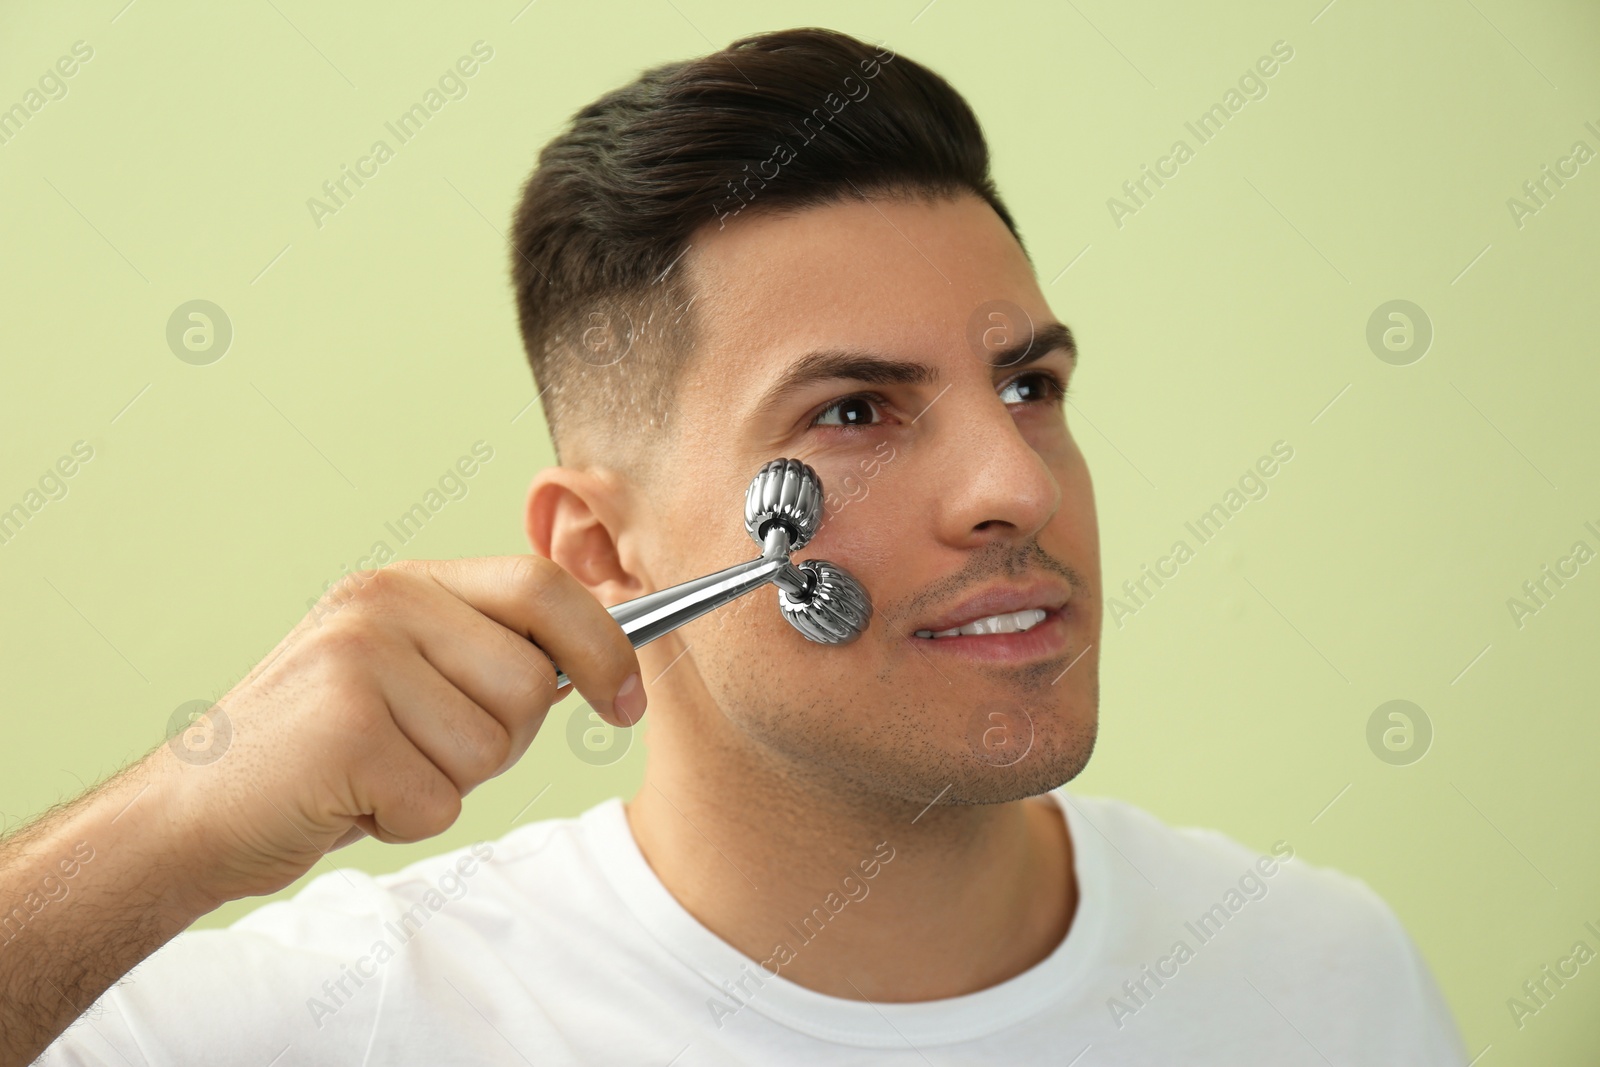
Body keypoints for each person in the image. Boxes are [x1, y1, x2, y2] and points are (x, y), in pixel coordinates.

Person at [5, 26, 1465, 1066]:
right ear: (602, 553)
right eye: (853, 411)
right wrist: (175, 826)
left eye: (1030, 384)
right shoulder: (345, 1018)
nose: (1013, 480)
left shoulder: (1321, 980)